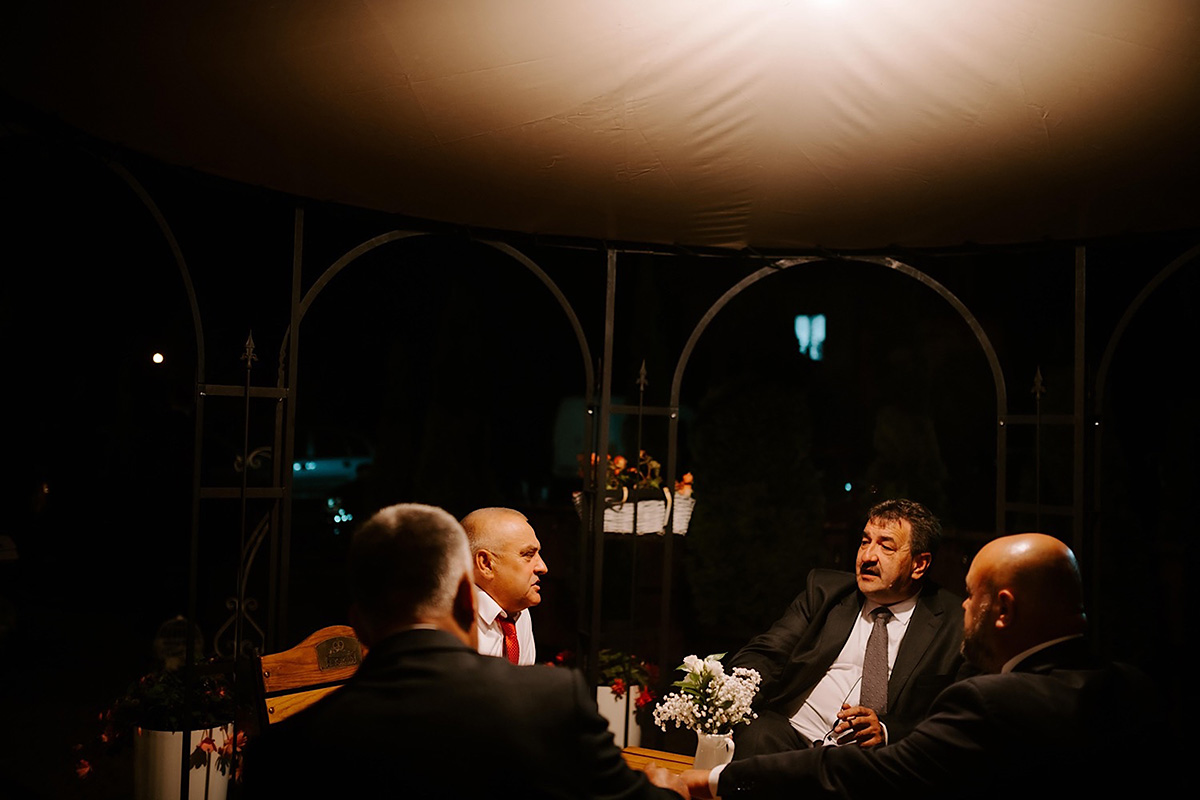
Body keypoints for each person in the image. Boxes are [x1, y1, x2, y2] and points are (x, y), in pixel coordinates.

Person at [242, 502, 685, 799]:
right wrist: (671, 787)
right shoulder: (552, 698)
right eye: (529, 554)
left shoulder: (279, 757)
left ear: (358, 624)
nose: (543, 568)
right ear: (466, 599)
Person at [671, 533, 1158, 799]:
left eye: (973, 596)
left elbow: (869, 773)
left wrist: (713, 781)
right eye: (865, 540)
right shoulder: (1133, 688)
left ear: (1004, 610)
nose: (964, 607)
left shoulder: (991, 700)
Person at [726, 498, 966, 756]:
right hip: (790, 737)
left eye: (886, 546)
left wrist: (888, 731)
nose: (867, 557)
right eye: (865, 542)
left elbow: (958, 716)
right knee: (758, 735)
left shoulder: (955, 623)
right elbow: (767, 655)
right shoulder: (824, 592)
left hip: (869, 759)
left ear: (919, 565)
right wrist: (728, 697)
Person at [462, 506, 546, 665]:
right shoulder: (452, 621)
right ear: (486, 564)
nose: (542, 567)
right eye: (528, 555)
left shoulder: (520, 613)